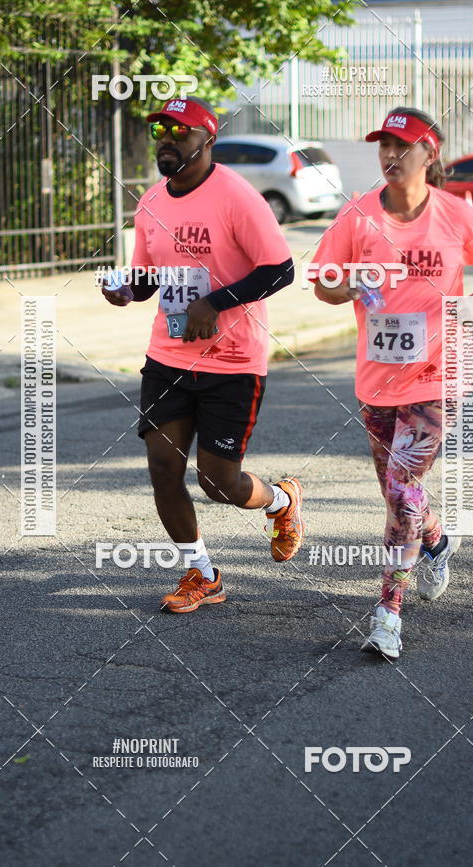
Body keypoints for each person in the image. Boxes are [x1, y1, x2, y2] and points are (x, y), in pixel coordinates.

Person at [310, 106, 473, 659]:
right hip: (376, 380)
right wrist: (346, 284)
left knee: (401, 491)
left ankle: (387, 614)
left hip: (436, 373)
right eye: (383, 146)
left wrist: (467, 307)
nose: (390, 155)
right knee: (399, 495)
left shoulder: (453, 215)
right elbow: (321, 284)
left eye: (403, 146)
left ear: (431, 153)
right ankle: (437, 540)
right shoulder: (357, 215)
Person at [102, 96, 304, 613]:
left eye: (180, 132)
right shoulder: (150, 203)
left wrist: (215, 301)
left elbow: (280, 269)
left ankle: (282, 500)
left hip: (232, 362)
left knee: (219, 482)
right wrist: (126, 290)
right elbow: (150, 279)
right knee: (163, 469)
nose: (167, 141)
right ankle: (203, 572)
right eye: (161, 132)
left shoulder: (238, 197)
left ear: (207, 140)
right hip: (168, 356)